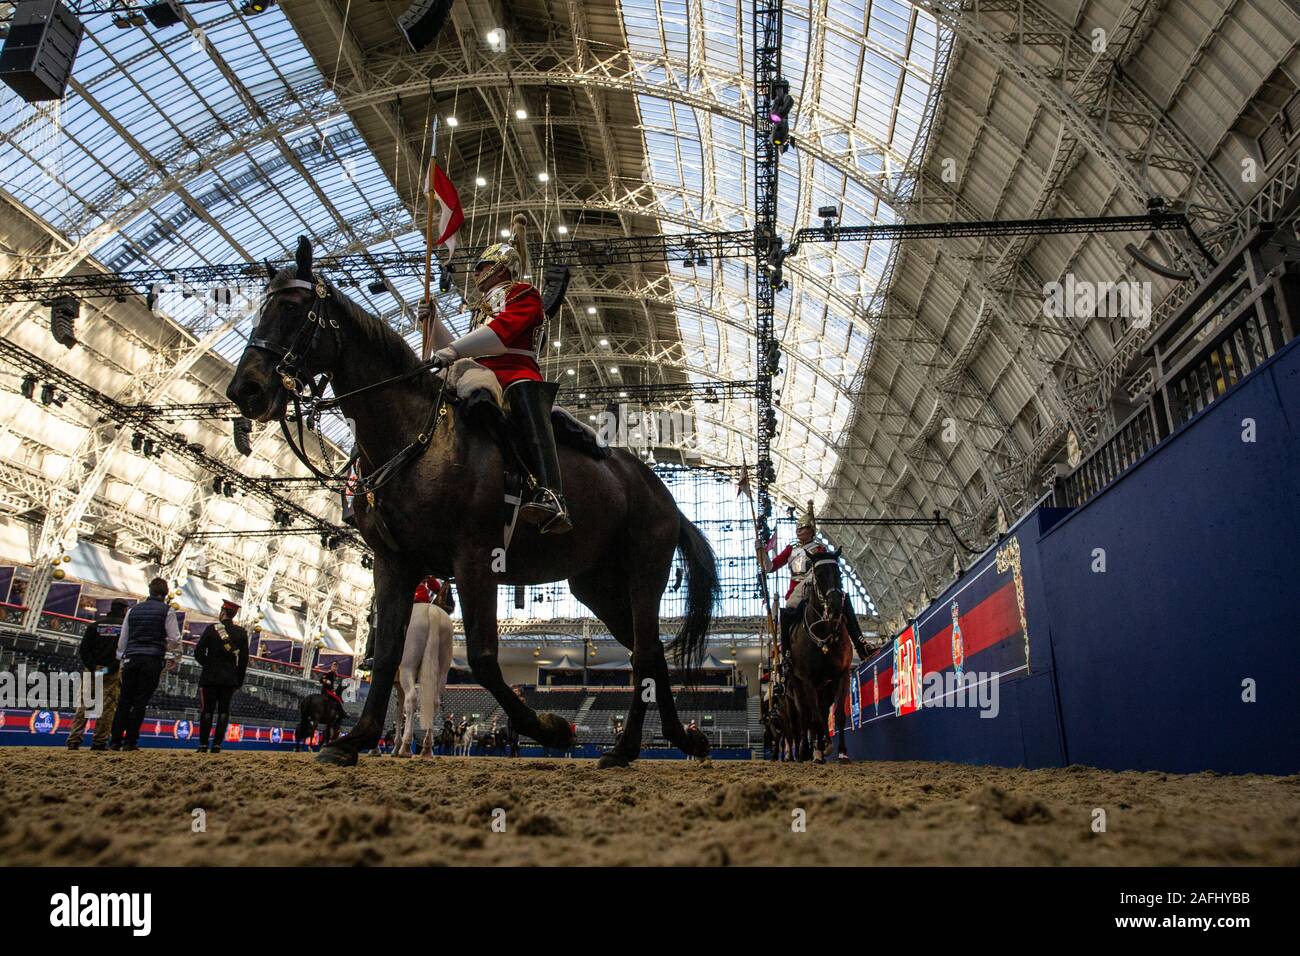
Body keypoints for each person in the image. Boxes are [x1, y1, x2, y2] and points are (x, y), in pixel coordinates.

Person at [420, 243, 571, 533]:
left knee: (526, 400)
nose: (476, 272)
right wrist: (433, 321)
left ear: (501, 267)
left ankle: (551, 494)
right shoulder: (480, 309)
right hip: (477, 373)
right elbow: (463, 350)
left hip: (514, 372)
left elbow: (502, 333)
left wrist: (452, 350)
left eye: (482, 266)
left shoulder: (524, 294)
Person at [758, 500, 871, 669]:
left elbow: (827, 571)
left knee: (843, 600)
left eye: (802, 528)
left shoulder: (820, 549)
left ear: (811, 530)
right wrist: (760, 551)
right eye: (797, 528)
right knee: (786, 614)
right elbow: (769, 567)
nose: (798, 531)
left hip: (816, 587)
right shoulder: (791, 549)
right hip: (796, 591)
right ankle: (787, 656)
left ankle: (861, 645)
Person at [109, 578, 182, 751]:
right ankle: (130, 741)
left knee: (125, 700)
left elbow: (123, 638)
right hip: (152, 660)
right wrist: (174, 656)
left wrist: (121, 658)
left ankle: (115, 740)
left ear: (149, 591)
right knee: (140, 701)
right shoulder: (167, 611)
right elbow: (175, 638)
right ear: (165, 593)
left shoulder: (133, 610)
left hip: (131, 659)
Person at [67, 599, 127, 752]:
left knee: (83, 706)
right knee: (107, 708)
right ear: (124, 610)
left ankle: (74, 740)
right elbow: (123, 652)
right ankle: (99, 742)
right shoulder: (125, 628)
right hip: (111, 673)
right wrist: (109, 669)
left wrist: (93, 667)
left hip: (92, 670)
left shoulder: (95, 625)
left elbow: (83, 650)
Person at [192, 599, 249, 753]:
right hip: (229, 678)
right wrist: (239, 680)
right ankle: (217, 745)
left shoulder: (212, 629)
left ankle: (203, 744)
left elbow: (198, 652)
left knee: (207, 710)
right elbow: (243, 660)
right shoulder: (241, 633)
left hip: (210, 677)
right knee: (224, 711)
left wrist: (208, 665)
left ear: (223, 612)